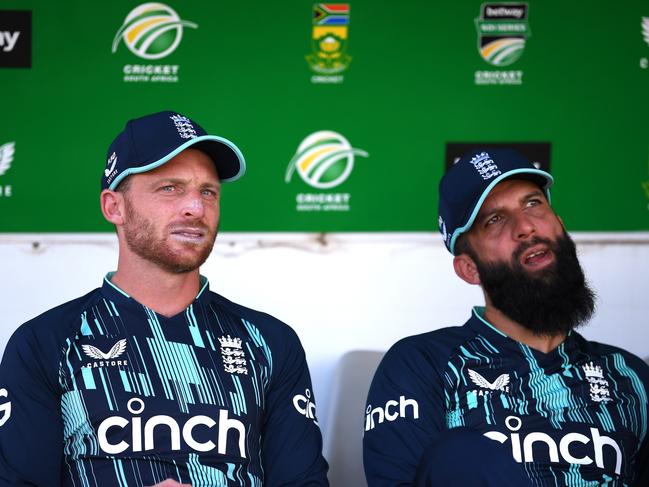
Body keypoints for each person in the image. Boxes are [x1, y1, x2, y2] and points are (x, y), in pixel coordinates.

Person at [0, 111, 329, 486]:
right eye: (169, 188)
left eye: (208, 191)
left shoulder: (269, 341)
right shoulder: (46, 342)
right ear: (114, 207)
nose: (196, 208)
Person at [363, 149, 649, 486]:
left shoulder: (629, 374)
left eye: (533, 203)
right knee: (462, 456)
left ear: (561, 224)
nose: (525, 226)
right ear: (469, 268)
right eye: (494, 219)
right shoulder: (423, 364)